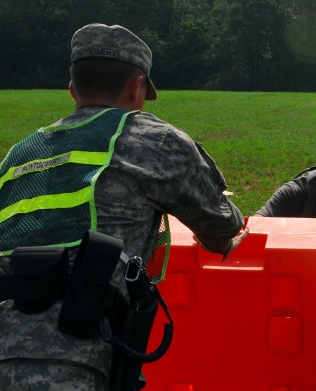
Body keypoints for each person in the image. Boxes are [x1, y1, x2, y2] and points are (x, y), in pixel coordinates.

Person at [0, 23, 248, 390]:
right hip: (79, 363)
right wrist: (228, 238)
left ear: (73, 91)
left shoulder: (17, 156)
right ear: (136, 87)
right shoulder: (155, 140)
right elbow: (220, 226)